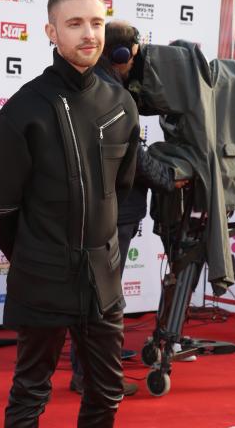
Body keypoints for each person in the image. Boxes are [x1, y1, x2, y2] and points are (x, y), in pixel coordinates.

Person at [0, 0, 155, 428]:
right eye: (74, 23)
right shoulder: (23, 111)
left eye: (96, 22)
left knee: (106, 389)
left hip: (103, 276)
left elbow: (121, 190)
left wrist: (102, 253)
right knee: (31, 395)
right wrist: (35, 253)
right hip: (44, 275)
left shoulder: (121, 103)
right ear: (51, 33)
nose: (88, 34)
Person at [69, 21, 191, 395]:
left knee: (96, 292)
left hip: (101, 206)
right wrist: (168, 178)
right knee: (102, 296)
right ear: (123, 55)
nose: (137, 65)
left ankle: (90, 365)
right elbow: (131, 155)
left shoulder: (96, 84)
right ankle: (92, 376)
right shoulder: (109, 93)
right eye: (135, 57)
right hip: (113, 209)